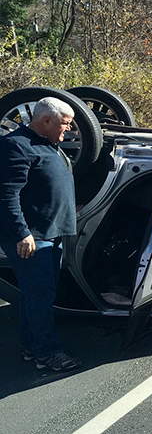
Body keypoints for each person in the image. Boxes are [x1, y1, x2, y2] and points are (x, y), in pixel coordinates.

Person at [0, 97, 81, 370]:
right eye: (65, 123)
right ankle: (48, 353)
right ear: (46, 120)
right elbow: (6, 195)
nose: (68, 129)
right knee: (40, 296)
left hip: (50, 234)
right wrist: (22, 232)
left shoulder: (50, 146)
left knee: (34, 295)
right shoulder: (16, 146)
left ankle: (31, 347)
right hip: (31, 238)